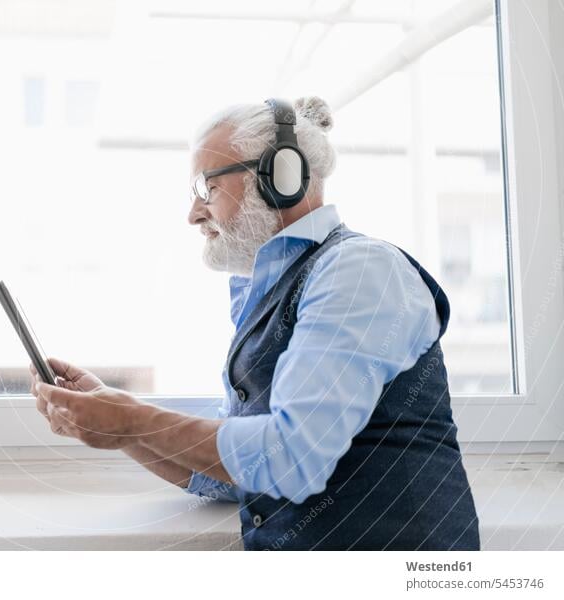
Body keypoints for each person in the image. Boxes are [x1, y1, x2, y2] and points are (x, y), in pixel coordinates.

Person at [30, 96, 480, 550]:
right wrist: (117, 423)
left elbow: (289, 457)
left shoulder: (359, 272)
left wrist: (131, 420)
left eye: (206, 189)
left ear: (280, 176)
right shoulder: (276, 287)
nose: (192, 213)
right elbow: (234, 474)